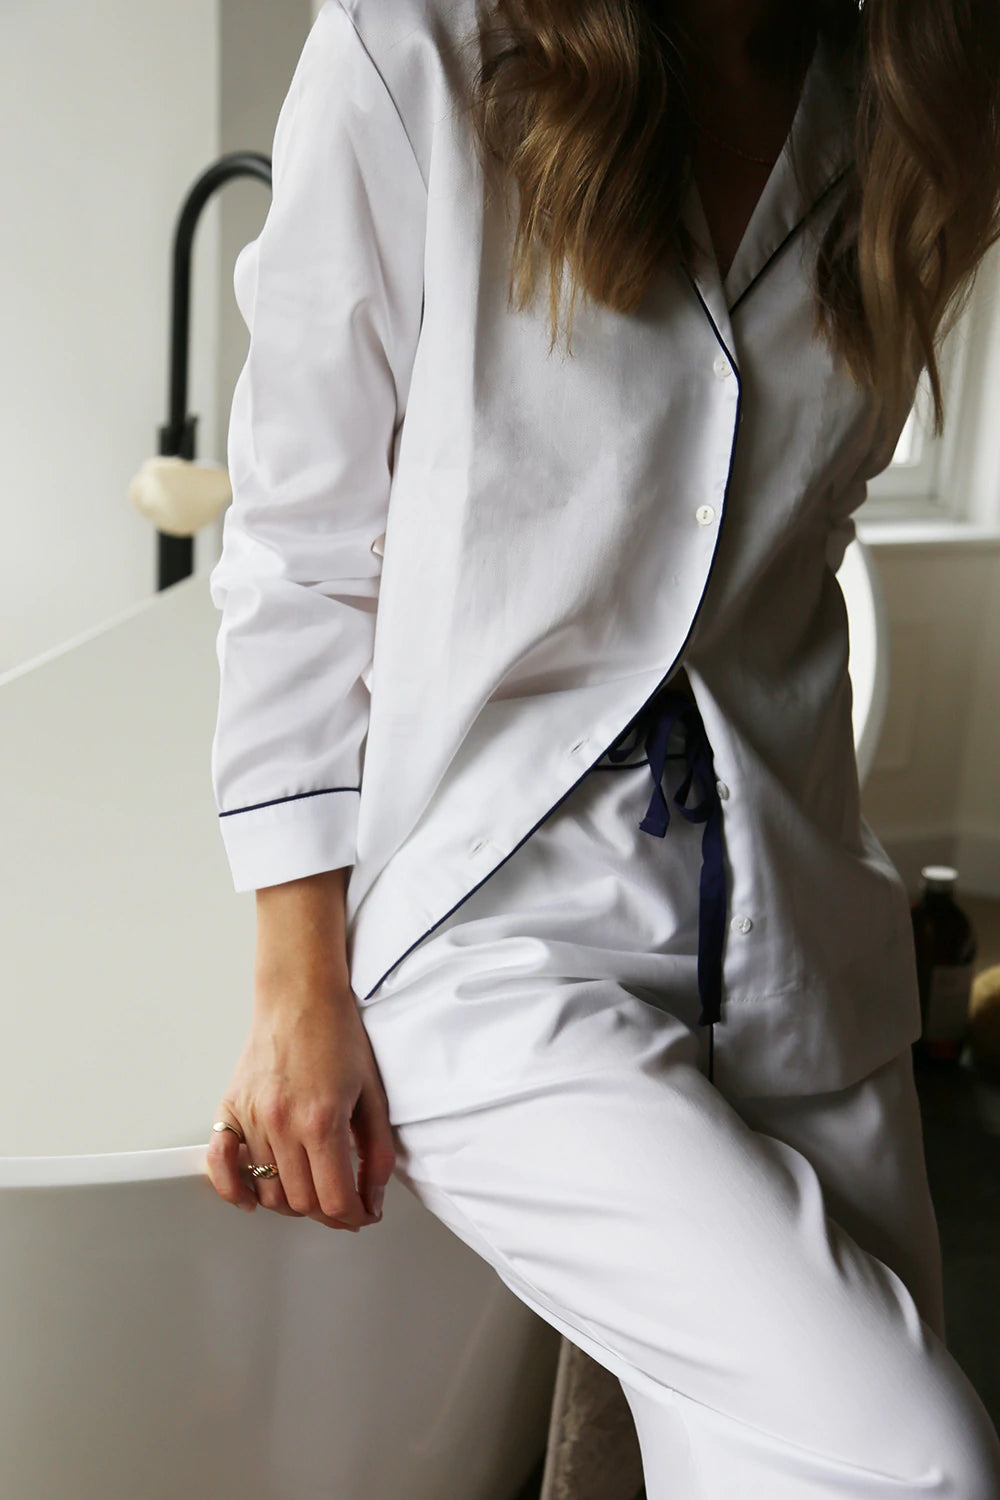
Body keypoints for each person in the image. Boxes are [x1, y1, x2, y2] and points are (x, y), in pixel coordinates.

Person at [205, 0, 1000, 1492]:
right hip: (500, 940)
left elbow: (796, 534)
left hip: (800, 922)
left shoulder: (906, 99)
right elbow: (301, 546)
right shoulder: (417, 49)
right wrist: (294, 980)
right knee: (920, 1459)